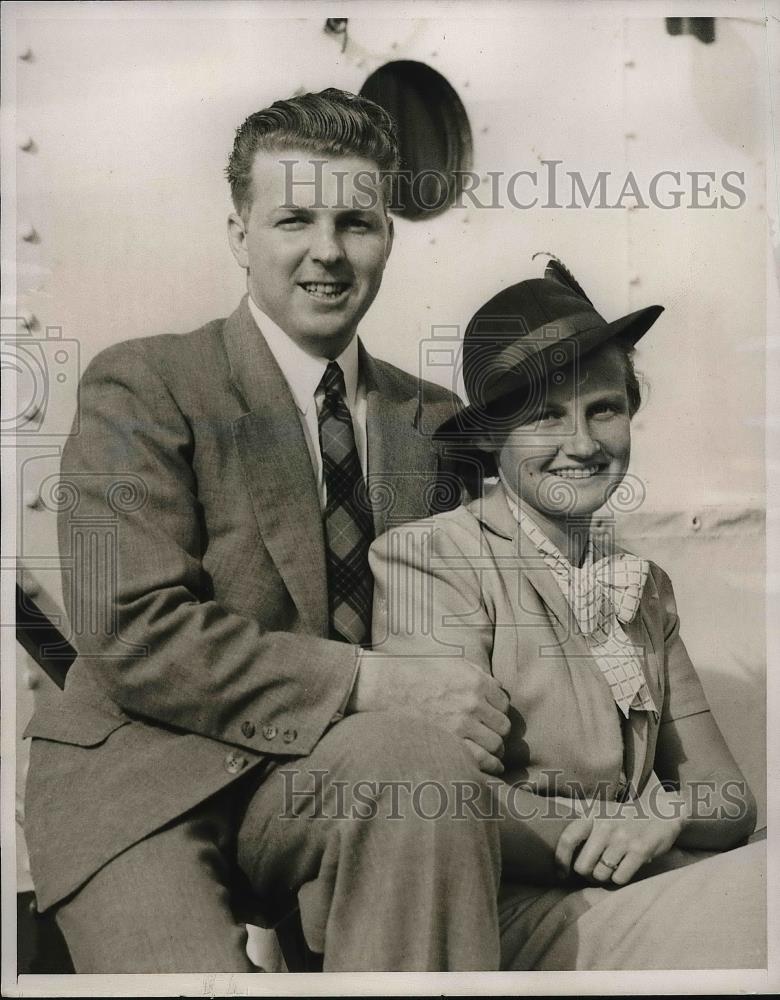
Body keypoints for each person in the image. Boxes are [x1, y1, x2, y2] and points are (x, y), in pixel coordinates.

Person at [22, 89, 513, 973]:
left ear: (388, 238)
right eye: (293, 218)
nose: (327, 251)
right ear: (240, 234)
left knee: (418, 765)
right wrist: (371, 683)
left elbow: (471, 628)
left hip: (332, 777)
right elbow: (127, 629)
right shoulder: (141, 384)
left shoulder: (435, 423)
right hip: (144, 778)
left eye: (357, 221)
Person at [369, 258, 766, 970]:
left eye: (603, 408)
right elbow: (444, 802)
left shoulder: (644, 587)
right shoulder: (434, 558)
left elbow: (729, 796)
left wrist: (668, 812)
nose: (582, 444)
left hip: (647, 886)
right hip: (514, 915)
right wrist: (627, 835)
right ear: (490, 437)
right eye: (546, 415)